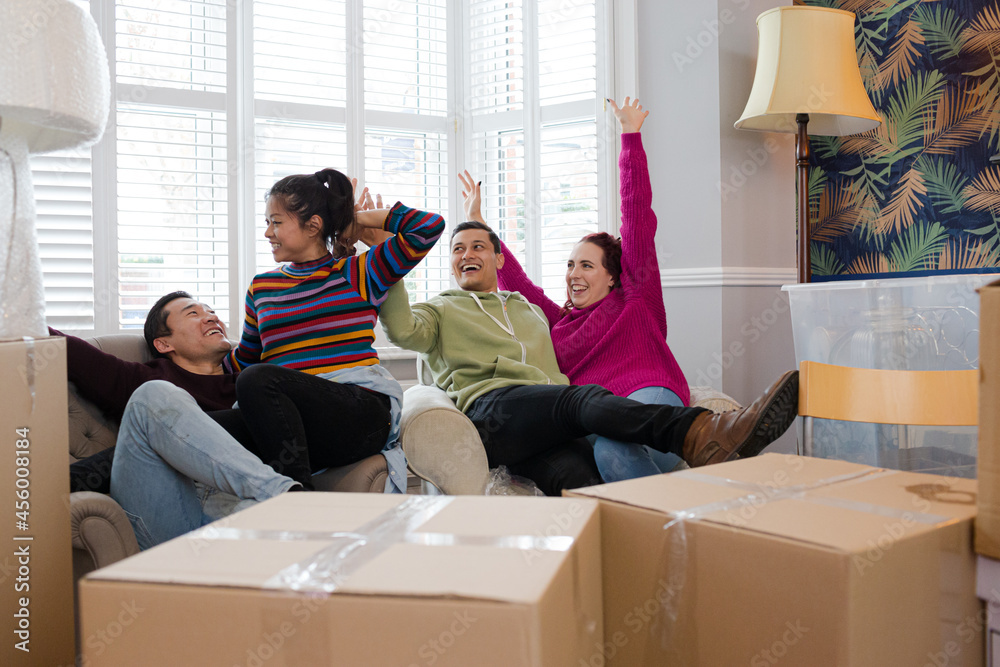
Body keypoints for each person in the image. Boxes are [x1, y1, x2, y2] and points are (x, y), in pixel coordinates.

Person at [379, 221, 799, 496]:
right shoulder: (441, 308)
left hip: (544, 426)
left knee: (582, 483)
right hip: (495, 412)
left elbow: (529, 286)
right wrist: (389, 254)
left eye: (478, 246)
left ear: (498, 257)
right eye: (457, 249)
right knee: (581, 399)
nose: (467, 254)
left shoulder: (530, 311)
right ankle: (700, 431)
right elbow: (402, 329)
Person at [469, 97, 690, 482]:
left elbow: (636, 215)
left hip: (649, 399)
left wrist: (630, 137)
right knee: (603, 449)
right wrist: (479, 226)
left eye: (586, 265)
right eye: (570, 265)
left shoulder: (635, 299)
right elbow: (519, 284)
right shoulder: (560, 324)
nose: (574, 274)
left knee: (612, 447)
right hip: (598, 418)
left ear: (613, 276)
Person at [222, 169, 445, 490]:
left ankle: (296, 502)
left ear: (313, 225)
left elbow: (428, 227)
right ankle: (295, 493)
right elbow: (245, 359)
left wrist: (357, 220)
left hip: (359, 415)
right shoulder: (262, 288)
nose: (268, 233)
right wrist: (190, 359)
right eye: (267, 222)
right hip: (292, 420)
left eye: (276, 222)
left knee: (257, 380)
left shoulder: (358, 272)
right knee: (192, 426)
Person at [57, 291, 301, 550]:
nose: (211, 317)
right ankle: (289, 496)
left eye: (211, 312)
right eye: (193, 313)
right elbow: (67, 349)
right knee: (153, 392)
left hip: (236, 507)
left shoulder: (253, 386)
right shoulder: (144, 378)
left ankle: (285, 507)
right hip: (168, 512)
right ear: (163, 344)